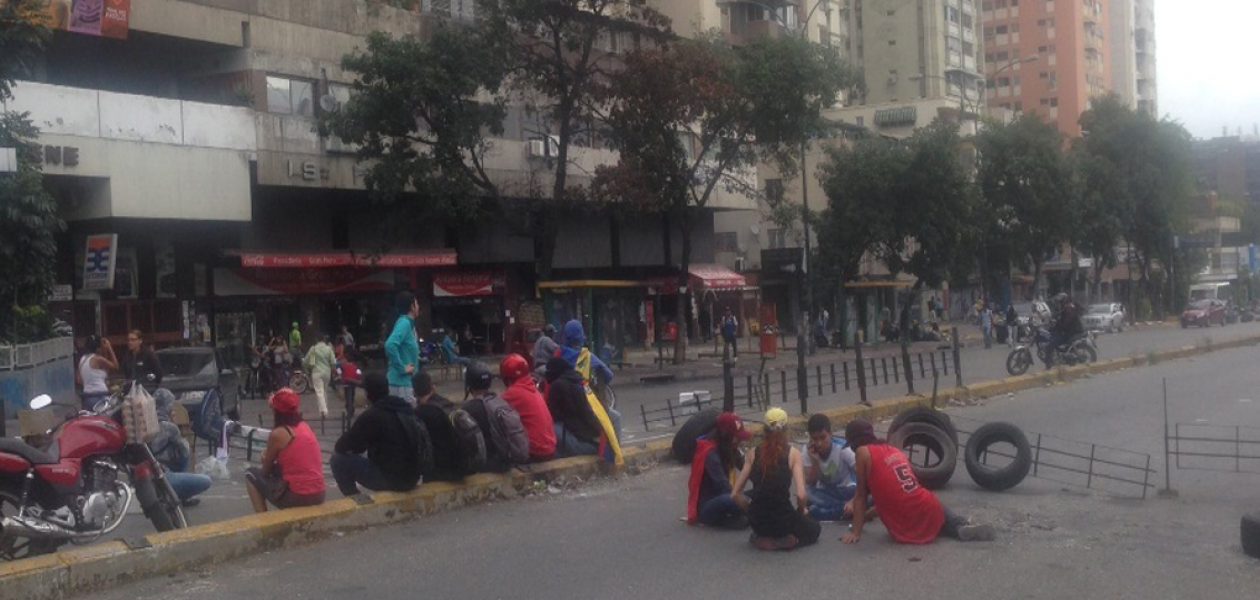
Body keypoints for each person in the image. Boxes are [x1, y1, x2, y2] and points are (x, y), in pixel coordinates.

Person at [841, 418, 994, 545]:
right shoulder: (893, 450)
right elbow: (893, 496)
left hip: (905, 515)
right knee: (930, 509)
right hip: (925, 503)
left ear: (855, 441)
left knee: (917, 515)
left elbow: (861, 496)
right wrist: (866, 516)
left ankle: (958, 528)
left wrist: (856, 532)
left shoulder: (862, 452)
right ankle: (960, 526)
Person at [731, 408, 820, 551]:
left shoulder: (752, 453)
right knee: (814, 529)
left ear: (764, 430)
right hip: (783, 521)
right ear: (786, 430)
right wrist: (802, 511)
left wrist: (751, 511)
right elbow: (802, 495)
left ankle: (762, 539)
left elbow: (735, 494)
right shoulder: (793, 454)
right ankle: (784, 542)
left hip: (758, 522)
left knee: (762, 527)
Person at [330, 372, 424, 496]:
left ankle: (355, 499)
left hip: (390, 479)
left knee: (338, 460)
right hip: (412, 477)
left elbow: (342, 446)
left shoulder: (372, 415)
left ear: (368, 394)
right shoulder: (404, 408)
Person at [245, 389, 326, 513]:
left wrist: (265, 458)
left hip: (298, 496)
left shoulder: (279, 433)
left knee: (250, 475)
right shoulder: (305, 427)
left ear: (276, 411)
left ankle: (265, 524)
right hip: (319, 493)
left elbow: (265, 471)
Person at [544, 357, 622, 462]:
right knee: (615, 416)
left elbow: (553, 415)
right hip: (594, 438)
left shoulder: (557, 386)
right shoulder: (581, 382)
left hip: (581, 441)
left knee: (551, 428)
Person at [686, 412, 750, 529]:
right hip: (709, 506)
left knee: (758, 494)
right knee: (733, 500)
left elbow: (746, 468)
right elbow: (724, 486)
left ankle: (742, 515)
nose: (739, 441)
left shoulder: (729, 448)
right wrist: (747, 503)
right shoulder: (711, 454)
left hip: (725, 496)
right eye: (736, 437)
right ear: (726, 436)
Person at [149, 389, 212, 506]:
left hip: (148, 477)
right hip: (162, 476)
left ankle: (171, 495)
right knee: (206, 480)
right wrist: (174, 424)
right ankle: (177, 495)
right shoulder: (168, 427)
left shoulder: (147, 424)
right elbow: (185, 450)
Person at [462, 362, 529, 472]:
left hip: (488, 466)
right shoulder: (500, 401)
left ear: (469, 384)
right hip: (507, 461)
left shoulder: (468, 409)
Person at [500, 354, 556, 462]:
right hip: (550, 448)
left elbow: (493, 407)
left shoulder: (514, 392)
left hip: (535, 453)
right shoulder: (532, 387)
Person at [412, 372, 466, 482]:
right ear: (433, 388)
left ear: (414, 392)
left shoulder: (420, 413)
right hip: (460, 465)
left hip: (440, 471)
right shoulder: (446, 404)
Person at [802, 414, 857, 522]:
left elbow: (865, 478)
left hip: (847, 489)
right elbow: (811, 482)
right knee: (807, 494)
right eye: (815, 439)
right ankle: (843, 510)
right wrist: (815, 462)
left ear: (830, 434)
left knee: (869, 496)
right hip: (826, 491)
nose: (819, 443)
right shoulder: (807, 451)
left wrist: (853, 501)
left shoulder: (843, 448)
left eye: (823, 438)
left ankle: (829, 511)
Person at [385, 291, 421, 404]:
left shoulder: (409, 325)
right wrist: (402, 368)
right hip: (402, 385)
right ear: (412, 307)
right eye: (417, 303)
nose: (419, 307)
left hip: (405, 384)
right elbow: (390, 345)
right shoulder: (404, 323)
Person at [558, 320, 613, 385]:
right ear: (581, 335)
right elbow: (608, 375)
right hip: (581, 393)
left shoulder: (559, 353)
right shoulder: (584, 356)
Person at [77, 335, 118, 411]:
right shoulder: (97, 359)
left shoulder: (82, 359)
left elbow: (79, 380)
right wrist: (109, 348)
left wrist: (90, 382)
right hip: (100, 396)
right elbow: (115, 366)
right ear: (98, 348)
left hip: (87, 397)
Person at [303, 335, 337, 417]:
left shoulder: (313, 349)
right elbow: (333, 362)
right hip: (327, 372)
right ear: (324, 339)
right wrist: (333, 371)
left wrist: (308, 369)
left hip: (317, 372)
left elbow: (309, 362)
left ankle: (324, 411)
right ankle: (323, 410)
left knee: (319, 392)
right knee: (324, 391)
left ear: (316, 339)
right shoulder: (328, 349)